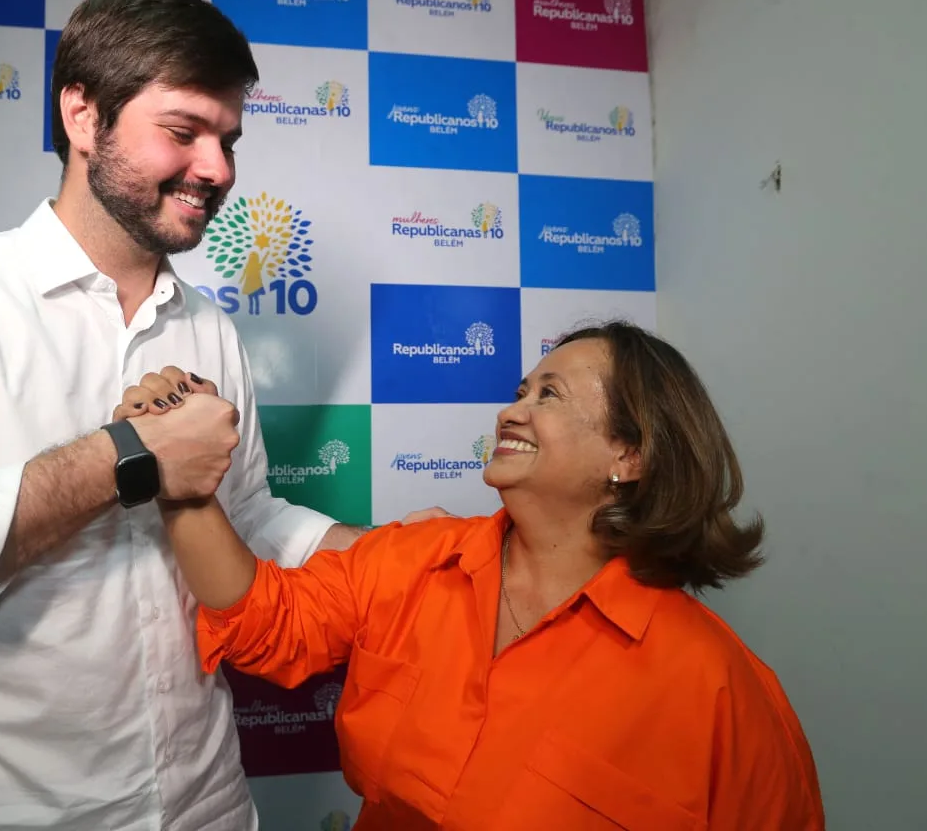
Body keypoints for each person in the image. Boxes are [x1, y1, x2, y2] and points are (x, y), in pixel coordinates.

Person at [0, 0, 408, 830]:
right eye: (183, 132)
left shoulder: (209, 327)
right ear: (82, 115)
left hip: (204, 806)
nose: (218, 170)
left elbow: (241, 514)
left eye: (228, 140)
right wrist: (124, 459)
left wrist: (400, 565)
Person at [130, 321, 826, 830]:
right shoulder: (418, 560)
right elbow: (263, 624)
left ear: (630, 455)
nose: (509, 410)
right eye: (520, 389)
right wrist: (181, 480)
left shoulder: (718, 690)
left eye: (547, 395)